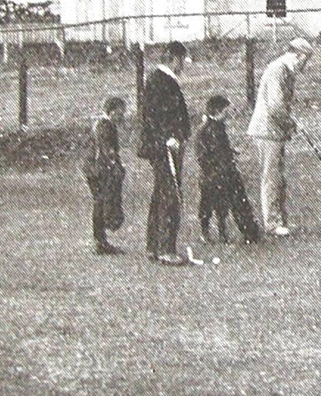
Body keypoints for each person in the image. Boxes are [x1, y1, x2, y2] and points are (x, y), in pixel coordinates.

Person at [247, 37, 314, 236]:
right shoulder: (278, 70)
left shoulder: (285, 70)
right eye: (305, 60)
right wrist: (290, 123)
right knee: (272, 177)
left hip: (274, 131)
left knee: (277, 176)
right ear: (298, 55)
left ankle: (280, 220)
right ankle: (272, 223)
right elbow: (276, 106)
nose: (305, 65)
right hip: (267, 130)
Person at [139, 41, 192, 266]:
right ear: (174, 58)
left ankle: (154, 246)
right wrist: (167, 139)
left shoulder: (164, 80)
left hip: (168, 145)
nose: (183, 65)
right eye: (182, 60)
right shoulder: (160, 81)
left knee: (161, 192)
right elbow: (153, 116)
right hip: (165, 147)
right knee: (170, 194)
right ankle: (165, 249)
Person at [195, 94, 262, 243]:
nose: (228, 114)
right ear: (217, 111)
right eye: (226, 111)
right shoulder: (206, 130)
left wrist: (230, 153)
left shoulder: (217, 127)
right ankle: (209, 232)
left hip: (221, 172)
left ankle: (229, 232)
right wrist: (221, 166)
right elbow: (205, 155)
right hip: (213, 175)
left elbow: (220, 149)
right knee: (211, 205)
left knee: (223, 205)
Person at [84, 96, 128, 255]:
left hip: (93, 168)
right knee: (101, 203)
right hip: (98, 170)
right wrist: (115, 165)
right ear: (112, 111)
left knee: (99, 203)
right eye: (120, 113)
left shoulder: (101, 124)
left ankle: (100, 241)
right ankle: (100, 242)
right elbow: (107, 149)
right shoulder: (105, 126)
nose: (122, 116)